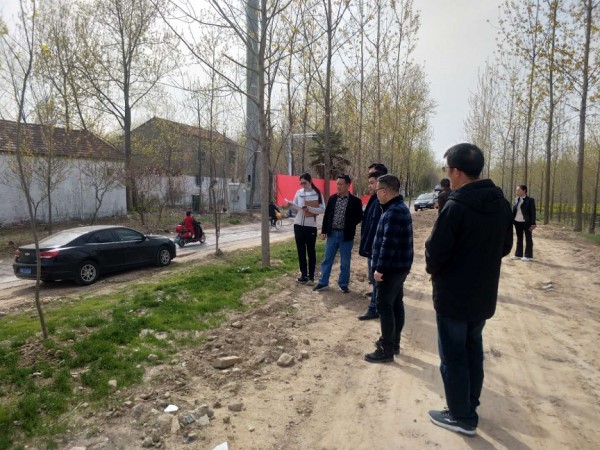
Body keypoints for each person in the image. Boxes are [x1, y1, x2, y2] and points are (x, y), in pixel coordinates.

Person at [425, 143, 513, 436]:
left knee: (453, 356)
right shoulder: (501, 204)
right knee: (473, 349)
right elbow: (505, 246)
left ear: (457, 172)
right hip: (483, 294)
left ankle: (461, 416)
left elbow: (435, 253)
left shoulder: (456, 206)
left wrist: (440, 269)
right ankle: (469, 404)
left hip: (453, 296)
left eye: (447, 168)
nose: (447, 173)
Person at [364, 174, 413, 362]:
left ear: (384, 191)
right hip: (399, 267)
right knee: (396, 304)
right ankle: (394, 343)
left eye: (377, 190)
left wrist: (379, 269)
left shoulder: (393, 212)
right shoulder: (398, 208)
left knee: (384, 306)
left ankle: (386, 349)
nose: (375, 193)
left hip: (391, 269)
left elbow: (388, 244)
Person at [313, 173, 363, 293]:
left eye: (341, 184)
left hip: (346, 235)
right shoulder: (332, 199)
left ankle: (343, 284)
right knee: (327, 259)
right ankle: (323, 282)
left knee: (345, 261)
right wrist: (324, 231)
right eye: (337, 184)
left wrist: (350, 224)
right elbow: (327, 216)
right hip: (332, 234)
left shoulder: (355, 201)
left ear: (348, 185)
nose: (338, 186)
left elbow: (359, 217)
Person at [357, 163, 388, 320]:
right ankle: (377, 300)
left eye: (371, 181)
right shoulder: (374, 199)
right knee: (374, 278)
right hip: (371, 245)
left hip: (377, 247)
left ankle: (374, 307)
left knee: (377, 278)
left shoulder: (383, 202)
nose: (369, 185)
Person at [286, 173, 325, 283]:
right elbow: (295, 210)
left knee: (311, 251)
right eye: (301, 183)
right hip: (298, 225)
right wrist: (290, 206)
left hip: (310, 226)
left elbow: (322, 209)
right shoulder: (299, 192)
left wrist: (310, 208)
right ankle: (303, 275)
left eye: (305, 183)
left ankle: (311, 276)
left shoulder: (317, 193)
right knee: (301, 251)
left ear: (310, 181)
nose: (303, 185)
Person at [512, 184, 536, 261]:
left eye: (518, 190)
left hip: (526, 222)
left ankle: (528, 256)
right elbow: (514, 210)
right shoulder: (516, 199)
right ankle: (518, 255)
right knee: (519, 238)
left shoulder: (530, 200)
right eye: (516, 190)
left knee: (528, 238)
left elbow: (533, 212)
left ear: (524, 190)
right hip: (517, 221)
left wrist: (533, 223)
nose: (517, 191)